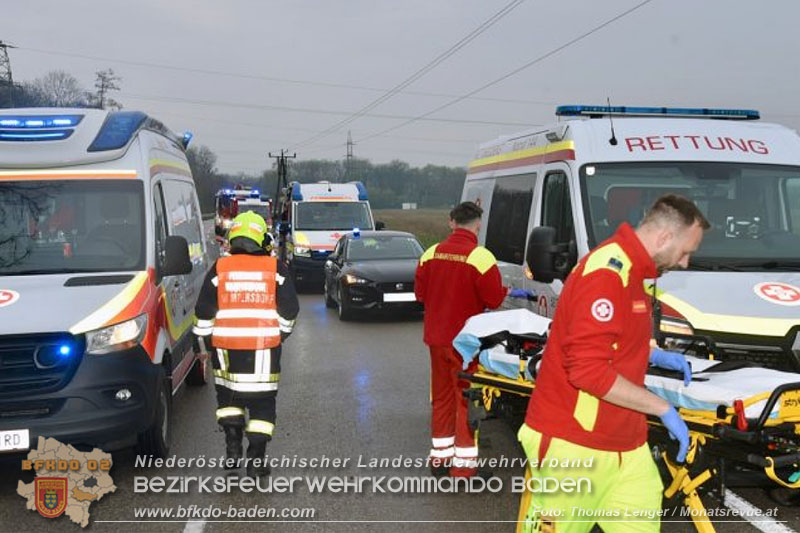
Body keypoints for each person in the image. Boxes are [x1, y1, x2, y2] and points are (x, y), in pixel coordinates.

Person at [518, 194, 709, 532]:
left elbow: (613, 338)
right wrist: (661, 408)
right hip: (573, 444)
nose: (685, 263)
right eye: (685, 252)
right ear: (664, 238)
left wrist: (651, 354)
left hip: (627, 444)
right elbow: (587, 371)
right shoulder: (607, 273)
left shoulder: (636, 273)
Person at [193, 211, 299, 478]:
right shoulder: (276, 269)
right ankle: (256, 461)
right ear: (261, 238)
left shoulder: (219, 269)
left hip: (225, 352)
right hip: (264, 352)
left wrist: (205, 346)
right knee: (262, 406)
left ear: (233, 238)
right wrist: (280, 335)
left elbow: (203, 311)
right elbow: (290, 310)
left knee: (229, 400)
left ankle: (232, 453)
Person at [415, 201, 509, 478]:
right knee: (465, 400)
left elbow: (420, 294)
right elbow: (493, 298)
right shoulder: (481, 257)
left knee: (442, 398)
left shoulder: (430, 254)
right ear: (477, 226)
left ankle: (440, 460)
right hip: (466, 344)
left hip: (436, 339)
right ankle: (463, 469)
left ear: (451, 222)